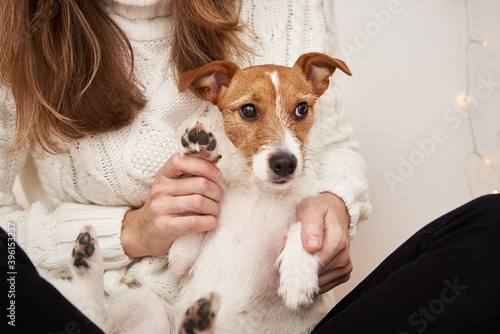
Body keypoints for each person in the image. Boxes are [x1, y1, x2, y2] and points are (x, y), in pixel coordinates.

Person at [1, 1, 498, 334]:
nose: (281, 143)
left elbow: (337, 147)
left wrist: (336, 203)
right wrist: (127, 232)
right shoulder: (16, 33)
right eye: (249, 112)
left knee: (491, 226)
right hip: (133, 316)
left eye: (300, 111)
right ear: (212, 92)